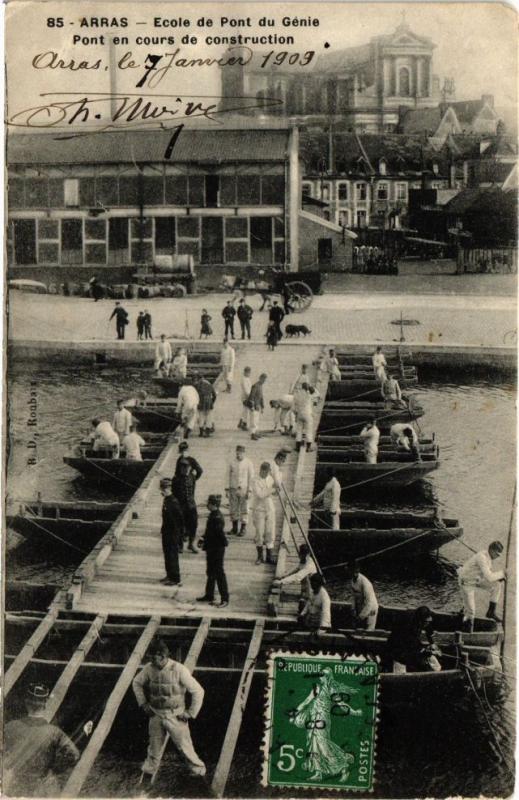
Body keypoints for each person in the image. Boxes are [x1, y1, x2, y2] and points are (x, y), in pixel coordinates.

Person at [132, 638, 205, 785]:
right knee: (154, 747)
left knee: (184, 746)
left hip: (175, 715)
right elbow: (137, 683)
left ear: (163, 656)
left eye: (155, 658)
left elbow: (198, 691)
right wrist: (143, 703)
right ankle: (148, 775)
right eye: (150, 658)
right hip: (156, 714)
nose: (152, 661)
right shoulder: (149, 668)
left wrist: (190, 713)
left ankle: (198, 773)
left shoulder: (179, 670)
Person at [4, 684, 79, 797]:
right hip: (38, 790)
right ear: (45, 705)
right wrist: (53, 770)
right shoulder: (54, 732)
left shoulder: (9, 727)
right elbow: (74, 755)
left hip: (13, 788)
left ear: (26, 702)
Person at [287, 668, 360, 783]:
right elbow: (306, 701)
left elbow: (341, 704)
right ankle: (318, 773)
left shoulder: (331, 689)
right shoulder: (316, 688)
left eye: (323, 675)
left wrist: (354, 712)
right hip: (313, 719)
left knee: (324, 746)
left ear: (328, 676)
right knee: (313, 745)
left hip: (323, 720)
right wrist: (295, 713)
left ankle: (344, 767)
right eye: (320, 674)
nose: (321, 676)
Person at [458, 540, 506, 631]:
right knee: (471, 611)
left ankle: (491, 611)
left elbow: (488, 575)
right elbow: (489, 577)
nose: (497, 557)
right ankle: (467, 630)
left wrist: (498, 578)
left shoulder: (488, 557)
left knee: (496, 585)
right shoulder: (482, 557)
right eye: (497, 554)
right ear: (491, 550)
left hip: (476, 580)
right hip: (466, 582)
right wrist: (503, 573)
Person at [385, 606, 442, 673]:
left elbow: (429, 630)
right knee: (402, 660)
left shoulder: (422, 620)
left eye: (428, 622)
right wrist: (426, 651)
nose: (427, 624)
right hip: (398, 648)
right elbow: (413, 644)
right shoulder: (409, 627)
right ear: (420, 621)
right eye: (426, 622)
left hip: (409, 646)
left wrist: (432, 644)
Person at [196, 494, 229, 607]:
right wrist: (203, 538)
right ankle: (209, 594)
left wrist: (223, 544)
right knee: (210, 571)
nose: (207, 505)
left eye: (208, 503)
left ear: (213, 504)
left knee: (219, 573)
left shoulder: (217, 517)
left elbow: (219, 534)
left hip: (216, 548)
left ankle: (225, 599)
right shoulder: (213, 515)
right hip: (211, 547)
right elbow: (209, 531)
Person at [275, 543, 317, 613]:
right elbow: (297, 568)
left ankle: (306, 603)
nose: (301, 557)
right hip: (305, 587)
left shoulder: (309, 565)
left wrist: (281, 582)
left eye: (303, 555)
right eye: (301, 555)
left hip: (312, 589)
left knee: (306, 607)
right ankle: (303, 603)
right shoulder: (304, 560)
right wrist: (284, 576)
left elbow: (297, 577)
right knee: (301, 604)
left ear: (308, 555)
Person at [158, 477, 184, 585]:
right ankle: (169, 575)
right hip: (166, 532)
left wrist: (178, 535)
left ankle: (175, 578)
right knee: (167, 554)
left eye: (163, 489)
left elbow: (179, 520)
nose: (162, 491)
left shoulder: (173, 502)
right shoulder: (167, 500)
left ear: (168, 489)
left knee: (172, 555)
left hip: (172, 533)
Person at [251, 462, 276, 565]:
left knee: (270, 532)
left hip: (269, 508)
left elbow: (274, 493)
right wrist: (272, 489)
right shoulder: (255, 480)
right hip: (259, 509)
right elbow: (260, 495)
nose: (267, 473)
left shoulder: (271, 479)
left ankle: (269, 557)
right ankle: (260, 557)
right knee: (260, 533)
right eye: (266, 471)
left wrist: (276, 490)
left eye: (269, 471)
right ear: (262, 470)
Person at [172, 458, 199, 553]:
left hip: (191, 505)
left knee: (193, 524)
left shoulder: (192, 477)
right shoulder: (176, 479)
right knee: (180, 526)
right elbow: (174, 494)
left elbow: (193, 490)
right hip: (181, 506)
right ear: (181, 469)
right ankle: (180, 545)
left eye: (188, 468)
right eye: (184, 468)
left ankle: (191, 544)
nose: (186, 470)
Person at [227, 444, 254, 536]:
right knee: (233, 508)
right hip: (233, 488)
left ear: (244, 453)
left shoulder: (248, 463)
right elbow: (227, 476)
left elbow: (251, 478)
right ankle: (234, 528)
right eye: (237, 453)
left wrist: (249, 490)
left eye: (241, 453)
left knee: (245, 508)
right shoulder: (232, 462)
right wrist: (227, 489)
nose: (238, 455)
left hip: (244, 489)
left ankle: (243, 528)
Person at [347, 561, 379, 630]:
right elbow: (353, 597)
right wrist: (353, 611)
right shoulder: (352, 581)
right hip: (362, 608)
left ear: (356, 571)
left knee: (368, 631)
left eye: (351, 571)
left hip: (371, 610)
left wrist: (360, 617)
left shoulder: (365, 583)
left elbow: (369, 603)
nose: (349, 573)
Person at [294, 383, 316, 452]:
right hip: (307, 414)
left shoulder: (298, 394)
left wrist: (296, 414)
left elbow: (294, 405)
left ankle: (297, 447)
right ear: (307, 387)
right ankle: (308, 447)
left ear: (302, 387)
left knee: (299, 430)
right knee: (309, 430)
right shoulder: (309, 395)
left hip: (300, 414)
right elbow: (316, 393)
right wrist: (310, 387)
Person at [249, 372, 267, 441]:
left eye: (265, 380)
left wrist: (262, 407)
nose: (264, 381)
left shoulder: (260, 386)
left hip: (258, 406)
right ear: (260, 378)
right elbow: (251, 397)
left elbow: (261, 397)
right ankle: (252, 434)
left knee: (256, 421)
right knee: (253, 421)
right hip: (254, 406)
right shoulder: (255, 386)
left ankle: (255, 433)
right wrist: (252, 406)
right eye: (263, 379)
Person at [238, 366, 253, 431]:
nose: (249, 374)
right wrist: (250, 396)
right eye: (248, 372)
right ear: (245, 372)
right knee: (246, 411)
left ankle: (241, 422)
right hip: (246, 397)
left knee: (245, 410)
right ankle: (244, 424)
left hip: (247, 396)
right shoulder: (244, 379)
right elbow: (246, 390)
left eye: (249, 372)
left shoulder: (247, 378)